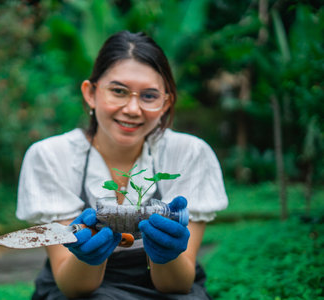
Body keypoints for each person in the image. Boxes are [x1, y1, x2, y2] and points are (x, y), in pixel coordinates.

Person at [16, 31, 228, 299]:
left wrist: (166, 254)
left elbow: (178, 285)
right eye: (118, 91)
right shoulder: (50, 156)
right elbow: (73, 288)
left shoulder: (190, 153)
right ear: (90, 93)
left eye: (149, 96)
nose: (132, 108)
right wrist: (88, 257)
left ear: (166, 102)